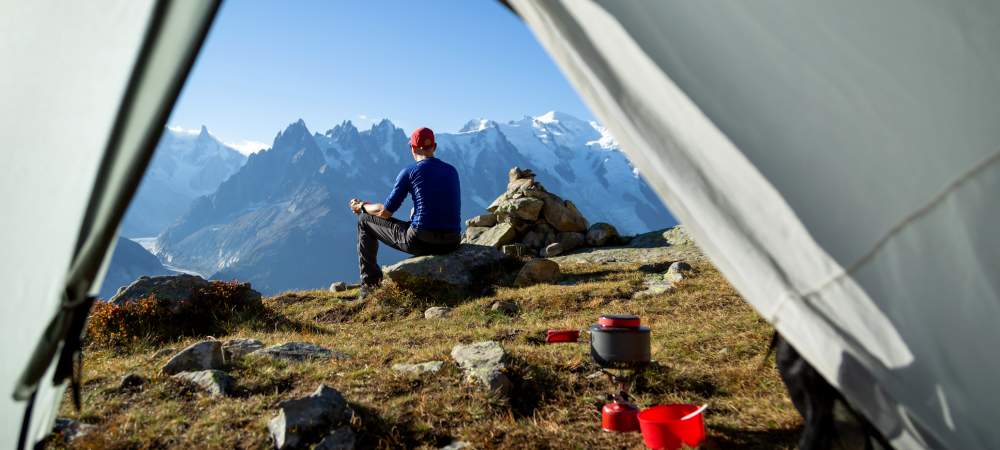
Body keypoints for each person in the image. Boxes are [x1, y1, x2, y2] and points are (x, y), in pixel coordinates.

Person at [349, 127, 462, 300]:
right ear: (435, 146)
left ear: (413, 148)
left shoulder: (410, 172)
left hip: (422, 240)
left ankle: (369, 286)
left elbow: (384, 212)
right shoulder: (451, 170)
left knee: (364, 220)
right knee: (414, 219)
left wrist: (361, 206)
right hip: (452, 241)